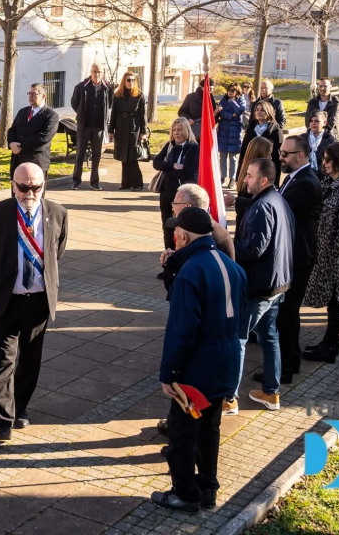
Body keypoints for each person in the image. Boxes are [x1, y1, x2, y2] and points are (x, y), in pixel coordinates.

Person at [150, 207, 245, 513]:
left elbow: (182, 329)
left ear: (185, 236)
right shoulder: (230, 265)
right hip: (225, 360)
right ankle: (207, 488)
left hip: (197, 367)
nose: (173, 235)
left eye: (176, 230)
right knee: (209, 429)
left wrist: (170, 373)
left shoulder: (192, 271)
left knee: (182, 431)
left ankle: (185, 493)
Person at [0, 163, 68, 440]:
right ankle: (3, 420)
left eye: (35, 187)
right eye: (24, 186)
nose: (30, 192)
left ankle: (21, 408)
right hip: (5, 301)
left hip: (38, 302)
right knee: (4, 360)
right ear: (13, 185)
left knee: (30, 360)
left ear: (44, 184)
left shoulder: (58, 213)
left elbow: (57, 251)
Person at [232, 158, 293, 410]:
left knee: (238, 340)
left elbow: (253, 249)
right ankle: (271, 392)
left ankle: (228, 398)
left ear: (263, 180)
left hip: (260, 287)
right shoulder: (277, 199)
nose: (245, 179)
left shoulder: (262, 208)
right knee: (270, 337)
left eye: (249, 175)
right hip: (277, 284)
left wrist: (226, 244)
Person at [271, 136, 322, 384]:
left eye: (285, 154)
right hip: (292, 254)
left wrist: (239, 202)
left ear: (300, 155)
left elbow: (277, 208)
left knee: (287, 314)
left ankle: (286, 369)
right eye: (281, 153)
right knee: (287, 313)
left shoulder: (306, 183)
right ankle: (291, 360)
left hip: (298, 257)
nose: (281, 158)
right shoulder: (294, 178)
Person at [302, 143, 339, 364]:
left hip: (334, 258)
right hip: (325, 254)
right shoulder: (331, 183)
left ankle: (331, 345)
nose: (323, 163)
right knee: (330, 301)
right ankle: (327, 341)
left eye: (327, 159)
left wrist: (333, 251)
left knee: (335, 302)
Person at [153, 118, 199, 249]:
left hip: (183, 195)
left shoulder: (193, 148)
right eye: (174, 130)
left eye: (179, 130)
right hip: (166, 192)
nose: (176, 133)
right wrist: (172, 165)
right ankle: (168, 255)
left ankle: (181, 255)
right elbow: (156, 163)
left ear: (186, 130)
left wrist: (167, 169)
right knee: (167, 226)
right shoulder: (170, 145)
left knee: (182, 227)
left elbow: (186, 172)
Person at [70, 63, 113, 190]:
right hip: (84, 126)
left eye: (99, 72)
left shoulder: (107, 88)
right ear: (91, 72)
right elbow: (74, 102)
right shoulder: (82, 87)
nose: (97, 74)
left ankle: (94, 181)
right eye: (94, 71)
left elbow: (110, 104)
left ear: (102, 73)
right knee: (80, 154)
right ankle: (76, 181)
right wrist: (81, 112)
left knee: (97, 155)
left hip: (98, 127)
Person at [8, 83, 59, 177]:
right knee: (17, 191)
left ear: (43, 96)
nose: (30, 96)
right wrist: (11, 143)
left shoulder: (51, 116)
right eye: (29, 93)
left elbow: (43, 138)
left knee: (35, 191)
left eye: (34, 94)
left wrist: (20, 146)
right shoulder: (22, 112)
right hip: (18, 162)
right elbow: (12, 130)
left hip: (36, 162)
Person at [109, 71, 148, 190]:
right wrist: (111, 130)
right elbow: (114, 115)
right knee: (123, 157)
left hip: (134, 128)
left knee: (132, 157)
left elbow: (143, 115)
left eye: (133, 80)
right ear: (124, 81)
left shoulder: (139, 95)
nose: (131, 82)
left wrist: (143, 132)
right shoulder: (118, 95)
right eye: (128, 80)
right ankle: (125, 183)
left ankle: (137, 183)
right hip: (121, 128)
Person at [225, 136, 273, 225]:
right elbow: (255, 203)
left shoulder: (245, 171)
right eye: (269, 154)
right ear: (260, 154)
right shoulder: (254, 177)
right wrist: (235, 201)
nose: (271, 158)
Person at [239, 101, 284, 183]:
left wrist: (275, 180)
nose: (259, 112)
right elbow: (244, 152)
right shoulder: (250, 129)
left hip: (266, 172)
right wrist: (239, 175)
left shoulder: (276, 131)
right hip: (250, 170)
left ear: (268, 111)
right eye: (257, 110)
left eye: (262, 110)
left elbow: (278, 158)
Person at [216, 84, 245, 189]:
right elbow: (221, 112)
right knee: (222, 156)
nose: (230, 92)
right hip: (223, 131)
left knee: (233, 157)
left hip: (235, 132)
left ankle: (232, 179)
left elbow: (240, 110)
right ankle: (222, 177)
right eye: (228, 90)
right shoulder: (223, 99)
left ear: (237, 91)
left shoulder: (240, 100)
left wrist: (232, 102)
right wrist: (231, 115)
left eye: (232, 90)